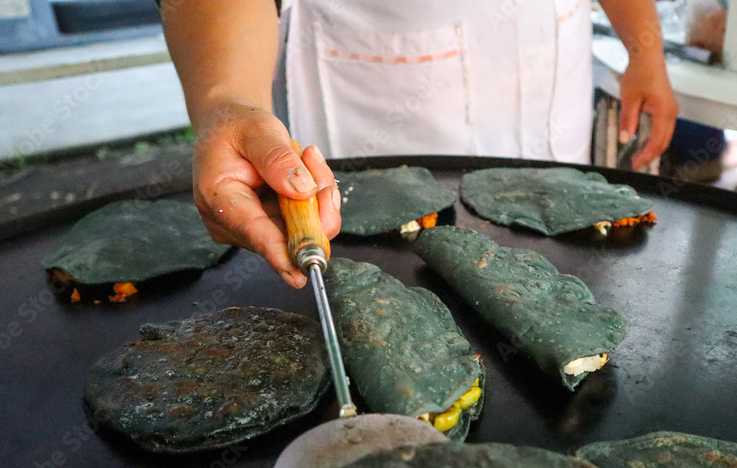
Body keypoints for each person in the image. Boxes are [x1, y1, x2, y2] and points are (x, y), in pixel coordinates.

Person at [160, 0, 678, 287]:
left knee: (566, 280)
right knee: (385, 287)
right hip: (380, 86)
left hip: (552, 70)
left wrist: (644, 46)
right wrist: (226, 99)